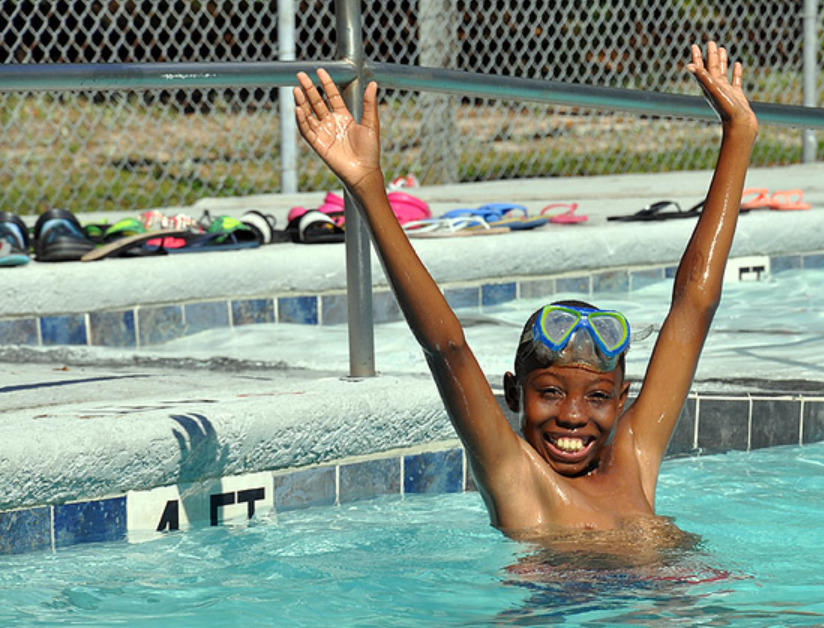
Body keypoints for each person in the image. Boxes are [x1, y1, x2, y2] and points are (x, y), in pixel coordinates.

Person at [293, 41, 757, 541]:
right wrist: (367, 187)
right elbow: (447, 347)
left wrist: (740, 135)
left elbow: (694, 303)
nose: (574, 417)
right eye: (551, 392)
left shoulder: (635, 456)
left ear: (623, 400)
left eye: (597, 397)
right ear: (514, 393)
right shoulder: (516, 474)